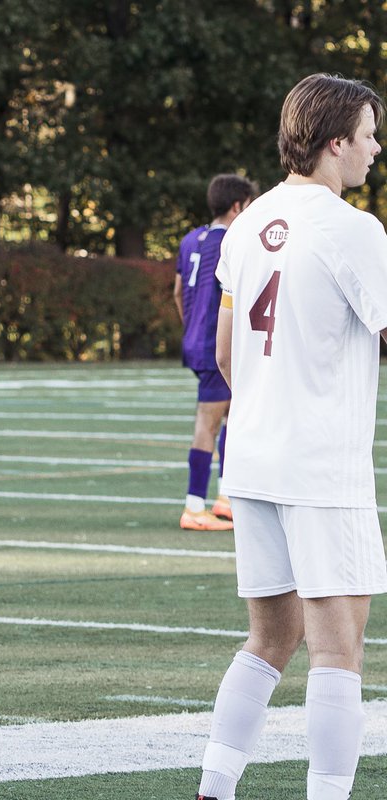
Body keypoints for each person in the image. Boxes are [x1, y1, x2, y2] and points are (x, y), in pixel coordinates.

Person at [195, 73, 387, 800]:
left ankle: (215, 787)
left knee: (269, 639)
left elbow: (223, 352)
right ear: (336, 142)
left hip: (252, 457)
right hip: (320, 465)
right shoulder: (353, 227)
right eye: (368, 134)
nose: (375, 148)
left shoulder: (248, 221)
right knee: (340, 650)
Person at [173, 174, 256, 532]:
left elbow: (178, 292)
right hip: (215, 344)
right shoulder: (234, 241)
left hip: (196, 340)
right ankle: (194, 505)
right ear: (237, 206)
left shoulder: (191, 238)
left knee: (230, 417)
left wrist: (191, 327)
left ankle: (225, 499)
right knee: (209, 423)